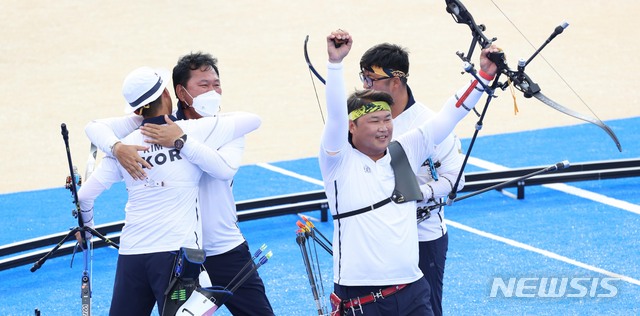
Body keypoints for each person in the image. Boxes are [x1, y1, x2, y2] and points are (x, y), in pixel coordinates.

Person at [320, 29, 497, 315]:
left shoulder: (404, 149)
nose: (384, 127)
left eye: (387, 119)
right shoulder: (338, 162)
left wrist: (484, 76)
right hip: (361, 295)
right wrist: (335, 63)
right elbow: (336, 116)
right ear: (351, 127)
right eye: (374, 120)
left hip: (412, 289)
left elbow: (451, 114)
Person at [84, 52, 274, 315]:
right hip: (179, 254)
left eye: (216, 84)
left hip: (223, 249)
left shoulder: (225, 126)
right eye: (203, 85)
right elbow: (95, 127)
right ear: (180, 92)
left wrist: (181, 140)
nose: (213, 92)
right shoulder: (152, 126)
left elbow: (224, 169)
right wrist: (117, 148)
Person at [359, 43, 465, 316]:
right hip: (380, 235)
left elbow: (456, 180)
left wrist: (421, 192)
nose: (364, 85)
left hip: (423, 238)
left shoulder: (430, 123)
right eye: (363, 78)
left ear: (396, 81)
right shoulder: (364, 120)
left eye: (371, 79)